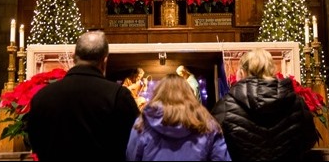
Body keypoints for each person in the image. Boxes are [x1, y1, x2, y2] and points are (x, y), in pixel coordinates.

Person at [26, 31, 140, 161]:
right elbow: (135, 141)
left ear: (74, 57)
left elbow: (35, 142)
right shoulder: (119, 96)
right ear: (105, 60)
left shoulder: (43, 96)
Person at [211, 48, 319, 162]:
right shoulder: (297, 103)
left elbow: (212, 145)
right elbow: (309, 140)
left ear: (241, 73)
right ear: (272, 70)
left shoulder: (225, 106)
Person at [126, 73, 231, 161]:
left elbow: (132, 157)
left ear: (158, 94)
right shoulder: (208, 125)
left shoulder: (142, 124)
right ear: (190, 94)